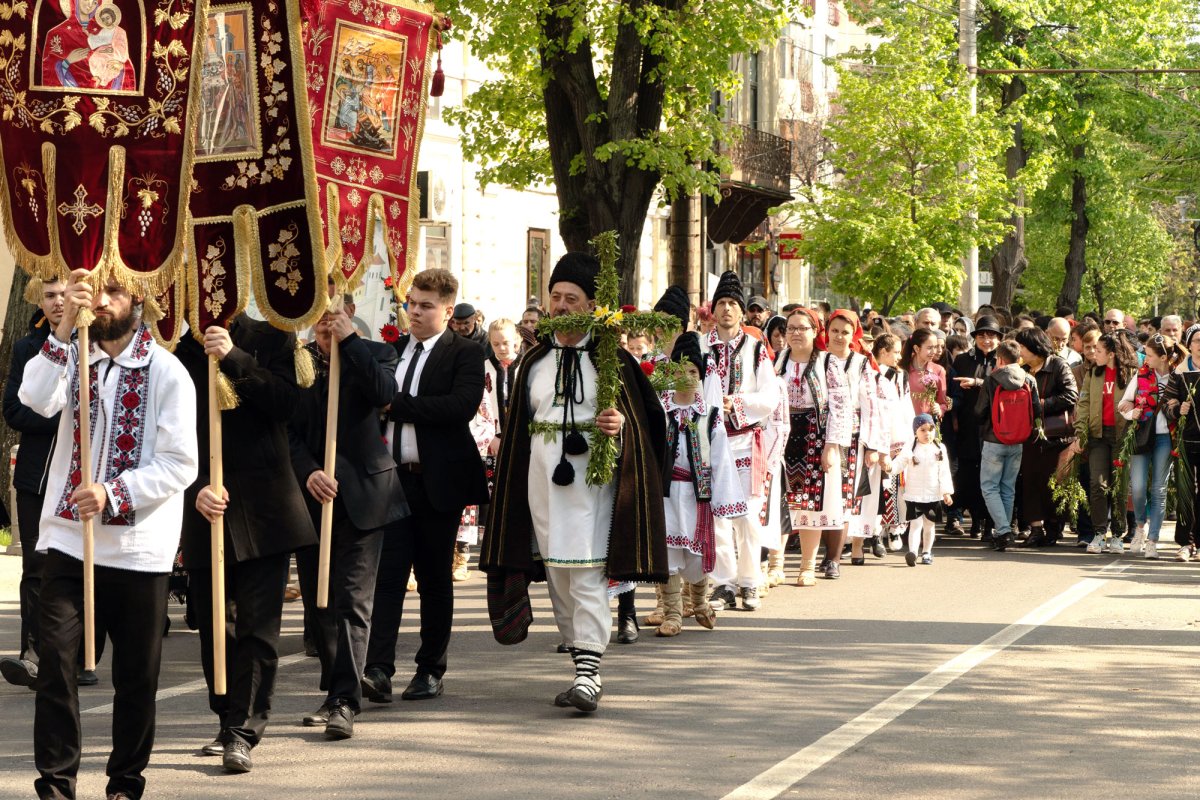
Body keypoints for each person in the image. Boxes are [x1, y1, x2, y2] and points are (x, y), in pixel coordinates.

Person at [21, 269, 198, 800]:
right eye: (94, 291)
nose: (100, 301)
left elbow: (180, 463)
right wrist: (60, 331)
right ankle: (56, 784)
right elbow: (33, 398)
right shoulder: (74, 357)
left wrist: (114, 492)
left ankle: (125, 781)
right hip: (69, 542)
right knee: (56, 665)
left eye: (113, 291)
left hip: (139, 550)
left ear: (136, 299)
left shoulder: (167, 371)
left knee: (136, 677)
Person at [480, 252, 668, 714]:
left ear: (591, 306)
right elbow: (518, 427)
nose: (562, 306)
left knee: (585, 570)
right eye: (556, 297)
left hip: (592, 481)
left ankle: (589, 673)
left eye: (572, 298)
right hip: (541, 479)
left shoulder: (612, 361)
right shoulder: (533, 360)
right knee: (558, 573)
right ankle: (581, 663)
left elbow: (648, 422)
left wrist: (620, 426)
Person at [175, 315, 315, 772]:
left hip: (265, 506)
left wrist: (234, 357)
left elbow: (289, 405)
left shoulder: (272, 336)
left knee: (257, 626)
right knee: (216, 625)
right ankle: (225, 717)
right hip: (204, 504)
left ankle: (243, 730)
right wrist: (194, 488)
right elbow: (161, 435)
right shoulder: (173, 350)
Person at [362, 269, 488, 709]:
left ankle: (430, 669)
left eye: (425, 306)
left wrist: (395, 405)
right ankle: (378, 668)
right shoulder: (393, 350)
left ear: (448, 311)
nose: (414, 312)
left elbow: (458, 407)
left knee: (434, 577)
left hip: (436, 481)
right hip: (390, 480)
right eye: (411, 303)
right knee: (388, 576)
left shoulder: (465, 353)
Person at [290, 298, 409, 740]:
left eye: (332, 315)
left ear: (348, 311)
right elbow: (286, 429)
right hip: (312, 496)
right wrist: (308, 471)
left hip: (363, 496)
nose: (324, 325)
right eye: (317, 317)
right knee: (319, 602)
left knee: (353, 600)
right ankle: (334, 687)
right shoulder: (297, 362)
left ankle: (345, 700)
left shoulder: (376, 352)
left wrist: (350, 342)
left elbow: (384, 394)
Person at [698, 272, 780, 610]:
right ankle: (724, 583)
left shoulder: (755, 348)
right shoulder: (700, 346)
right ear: (713, 309)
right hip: (709, 442)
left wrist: (739, 403)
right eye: (722, 303)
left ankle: (750, 582)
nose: (727, 309)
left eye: (733, 303)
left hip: (745, 440)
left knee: (747, 516)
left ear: (742, 311)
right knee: (717, 516)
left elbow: (771, 395)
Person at [656, 333, 745, 635]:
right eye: (680, 370)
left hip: (697, 495)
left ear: (701, 375)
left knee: (697, 555)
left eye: (693, 370)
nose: (687, 376)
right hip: (666, 494)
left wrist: (723, 500)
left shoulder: (710, 415)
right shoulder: (660, 412)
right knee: (668, 552)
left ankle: (700, 602)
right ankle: (672, 614)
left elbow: (721, 459)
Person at [0, 278, 65, 689]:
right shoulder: (28, 348)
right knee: (36, 566)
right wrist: (63, 418)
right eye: (50, 295)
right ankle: (33, 654)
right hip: (37, 476)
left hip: (84, 480)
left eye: (64, 294)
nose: (58, 302)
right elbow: (14, 409)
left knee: (79, 565)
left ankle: (79, 654)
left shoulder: (98, 345)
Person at [777, 307, 849, 586]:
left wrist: (832, 445)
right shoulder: (778, 361)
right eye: (791, 328)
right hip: (782, 436)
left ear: (815, 331)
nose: (795, 333)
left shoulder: (828, 362)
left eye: (802, 328)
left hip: (814, 438)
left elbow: (840, 407)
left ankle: (807, 566)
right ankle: (775, 565)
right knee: (780, 503)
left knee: (810, 507)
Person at [456, 319, 520, 581]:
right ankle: (470, 553)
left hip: (519, 441)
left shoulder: (526, 367)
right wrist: (491, 435)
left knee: (515, 495)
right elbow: (478, 407)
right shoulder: (483, 368)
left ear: (516, 341)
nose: (501, 348)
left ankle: (513, 550)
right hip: (488, 441)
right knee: (482, 496)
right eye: (496, 344)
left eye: (506, 343)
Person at [824, 309, 886, 579]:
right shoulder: (818, 358)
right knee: (821, 497)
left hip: (851, 438)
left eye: (845, 332)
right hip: (818, 434)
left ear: (854, 335)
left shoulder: (861, 363)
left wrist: (872, 445)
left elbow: (871, 406)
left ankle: (833, 557)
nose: (839, 337)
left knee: (844, 497)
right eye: (835, 331)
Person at [1069, 331, 1136, 555]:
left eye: (1098, 350)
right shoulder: (1093, 373)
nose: (1093, 354)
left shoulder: (1131, 374)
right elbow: (1083, 403)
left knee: (1119, 487)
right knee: (1097, 484)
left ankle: (1117, 534)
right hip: (1097, 436)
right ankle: (1099, 533)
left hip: (1122, 437)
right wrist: (1081, 432)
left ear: (1111, 354)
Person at [1120, 335, 1186, 559]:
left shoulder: (1178, 376)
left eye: (1149, 355)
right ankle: (1140, 526)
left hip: (1166, 438)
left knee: (1159, 489)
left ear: (1163, 357)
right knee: (1138, 487)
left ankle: (1153, 540)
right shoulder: (1141, 375)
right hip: (1141, 435)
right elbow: (1123, 403)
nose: (1145, 359)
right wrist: (1131, 412)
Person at [1012, 327, 1078, 548]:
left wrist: (1040, 404)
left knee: (1052, 483)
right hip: (1030, 435)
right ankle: (1036, 529)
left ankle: (1053, 527)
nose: (1020, 351)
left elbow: (1071, 395)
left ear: (1034, 347)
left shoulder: (1057, 365)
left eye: (1022, 346)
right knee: (1030, 481)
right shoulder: (1022, 370)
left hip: (1055, 436)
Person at [975, 341, 1039, 552]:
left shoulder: (992, 379)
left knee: (989, 487)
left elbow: (980, 411)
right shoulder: (1029, 379)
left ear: (1000, 359)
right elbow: (1037, 410)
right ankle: (1004, 530)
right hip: (1018, 440)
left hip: (994, 440)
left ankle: (1003, 531)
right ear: (1018, 358)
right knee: (1007, 488)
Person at [858, 332, 912, 559]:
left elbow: (904, 406)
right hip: (871, 433)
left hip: (893, 433)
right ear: (883, 351)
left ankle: (891, 529)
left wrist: (907, 434)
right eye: (896, 352)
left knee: (892, 486)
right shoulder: (866, 373)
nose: (899, 357)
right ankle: (870, 533)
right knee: (872, 487)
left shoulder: (900, 376)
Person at [951, 316, 1001, 539]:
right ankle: (975, 520)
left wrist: (978, 383)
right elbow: (954, 392)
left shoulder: (1004, 360)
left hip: (996, 426)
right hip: (968, 425)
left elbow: (1004, 385)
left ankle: (990, 523)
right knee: (970, 475)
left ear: (999, 338)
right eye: (981, 335)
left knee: (992, 475)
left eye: (991, 335)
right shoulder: (963, 360)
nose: (986, 340)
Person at [888, 414, 953, 565]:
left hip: (933, 495)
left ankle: (927, 552)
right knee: (915, 525)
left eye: (930, 429)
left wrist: (946, 492)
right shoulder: (910, 448)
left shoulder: (939, 448)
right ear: (915, 432)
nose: (927, 433)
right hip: (914, 495)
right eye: (922, 430)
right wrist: (890, 467)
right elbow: (900, 463)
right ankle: (913, 552)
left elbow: (944, 471)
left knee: (929, 526)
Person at [1164, 324, 1200, 561]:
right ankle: (1186, 543)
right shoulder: (1179, 372)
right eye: (1197, 340)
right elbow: (1167, 405)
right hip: (1186, 441)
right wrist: (1178, 409)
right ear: (1189, 344)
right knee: (1186, 492)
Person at [903, 328, 948, 419]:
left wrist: (939, 409)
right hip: (904, 421)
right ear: (916, 348)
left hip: (927, 423)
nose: (934, 351)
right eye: (929, 348)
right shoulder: (902, 369)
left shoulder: (939, 370)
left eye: (935, 347)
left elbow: (943, 402)